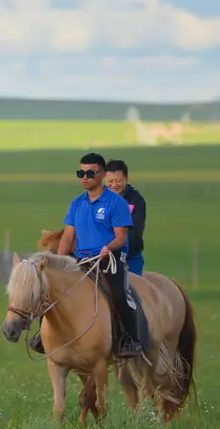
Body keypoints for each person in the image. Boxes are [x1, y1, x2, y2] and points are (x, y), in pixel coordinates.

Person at [31, 153, 143, 358]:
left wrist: (108, 248)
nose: (85, 177)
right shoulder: (76, 203)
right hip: (81, 259)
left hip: (110, 258)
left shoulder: (116, 203)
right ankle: (43, 336)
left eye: (90, 173)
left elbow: (121, 237)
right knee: (50, 288)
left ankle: (130, 339)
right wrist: (59, 262)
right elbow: (67, 237)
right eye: (81, 173)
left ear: (101, 174)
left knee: (119, 294)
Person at [104, 159, 146, 276]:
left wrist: (114, 248)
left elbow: (135, 233)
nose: (114, 185)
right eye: (110, 181)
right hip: (100, 254)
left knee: (130, 288)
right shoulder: (97, 199)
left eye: (118, 181)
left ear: (126, 179)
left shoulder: (136, 200)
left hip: (128, 256)